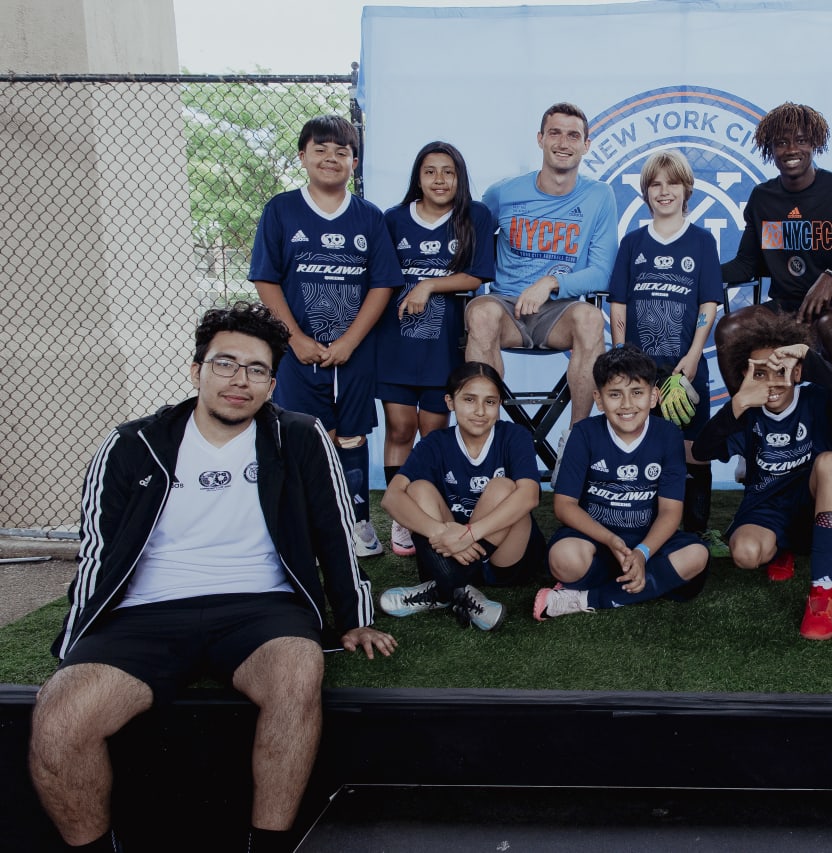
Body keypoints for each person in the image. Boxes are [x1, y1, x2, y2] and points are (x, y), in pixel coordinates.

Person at [29, 302, 396, 853]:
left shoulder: (298, 437)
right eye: (226, 364)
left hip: (262, 608)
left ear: (272, 384)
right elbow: (98, 551)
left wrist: (354, 619)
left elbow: (334, 534)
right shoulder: (133, 444)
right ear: (196, 370)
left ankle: (266, 847)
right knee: (60, 715)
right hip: (146, 612)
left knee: (298, 669)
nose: (239, 381)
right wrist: (77, 642)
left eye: (256, 370)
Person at [249, 115, 402, 558]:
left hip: (352, 351)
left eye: (342, 151)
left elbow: (382, 284)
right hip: (300, 350)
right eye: (321, 149)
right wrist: (293, 337)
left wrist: (352, 340)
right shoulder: (281, 209)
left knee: (352, 436)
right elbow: (266, 279)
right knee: (304, 435)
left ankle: (357, 523)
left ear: (355, 161)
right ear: (302, 156)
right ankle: (308, 522)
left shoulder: (369, 217)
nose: (331, 158)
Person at [693, 311, 832, 641]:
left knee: (830, 462)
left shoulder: (817, 400)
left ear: (798, 372)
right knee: (744, 554)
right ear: (745, 373)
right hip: (766, 506)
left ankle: (822, 595)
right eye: (760, 371)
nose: (771, 380)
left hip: (813, 502)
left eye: (780, 369)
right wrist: (738, 402)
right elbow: (701, 451)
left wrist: (809, 358)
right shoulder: (745, 410)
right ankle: (782, 548)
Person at [465, 102, 618, 464]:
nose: (563, 142)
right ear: (540, 139)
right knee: (481, 313)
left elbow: (601, 272)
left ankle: (575, 443)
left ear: (586, 145)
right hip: (506, 307)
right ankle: (489, 442)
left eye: (573, 135)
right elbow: (473, 245)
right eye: (555, 132)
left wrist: (550, 282)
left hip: (559, 313)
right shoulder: (503, 193)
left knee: (591, 319)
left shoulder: (600, 196)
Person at [717, 101, 832, 394]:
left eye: (801, 141)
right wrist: (698, 273)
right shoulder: (763, 198)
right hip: (783, 308)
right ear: (770, 149)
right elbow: (745, 264)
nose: (791, 150)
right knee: (729, 329)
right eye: (781, 143)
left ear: (815, 144)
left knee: (831, 327)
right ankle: (746, 422)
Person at [378, 141, 495, 558]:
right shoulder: (393, 220)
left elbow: (477, 275)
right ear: (418, 177)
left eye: (448, 171)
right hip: (396, 341)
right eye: (430, 171)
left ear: (459, 177)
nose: (440, 180)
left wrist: (428, 284)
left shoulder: (474, 216)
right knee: (399, 429)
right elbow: (382, 278)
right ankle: (402, 514)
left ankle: (436, 506)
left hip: (443, 344)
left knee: (432, 432)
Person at [534, 345, 709, 620]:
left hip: (648, 542)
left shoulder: (668, 435)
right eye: (615, 394)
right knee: (563, 559)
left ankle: (586, 598)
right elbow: (564, 506)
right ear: (599, 399)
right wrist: (611, 540)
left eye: (637, 393)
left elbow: (670, 511)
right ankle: (650, 584)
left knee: (697, 555)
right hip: (597, 540)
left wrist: (641, 553)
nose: (627, 405)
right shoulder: (584, 433)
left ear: (654, 396)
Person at [607, 149, 722, 547]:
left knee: (694, 449)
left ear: (686, 188)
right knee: (641, 444)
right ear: (645, 192)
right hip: (641, 370)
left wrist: (692, 358)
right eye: (655, 184)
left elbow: (708, 304)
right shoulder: (634, 241)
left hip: (684, 369)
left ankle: (696, 529)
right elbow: (618, 301)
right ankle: (639, 523)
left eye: (672, 183)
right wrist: (621, 358)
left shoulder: (703, 241)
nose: (664, 191)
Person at [379, 362, 545, 631]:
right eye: (469, 400)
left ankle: (441, 590)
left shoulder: (514, 436)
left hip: (502, 558)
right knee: (417, 489)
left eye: (490, 402)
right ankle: (459, 591)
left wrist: (468, 534)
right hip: (450, 551)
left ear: (499, 404)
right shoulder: (435, 443)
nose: (480, 411)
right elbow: (391, 498)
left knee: (503, 488)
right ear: (450, 401)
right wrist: (441, 531)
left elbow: (530, 496)